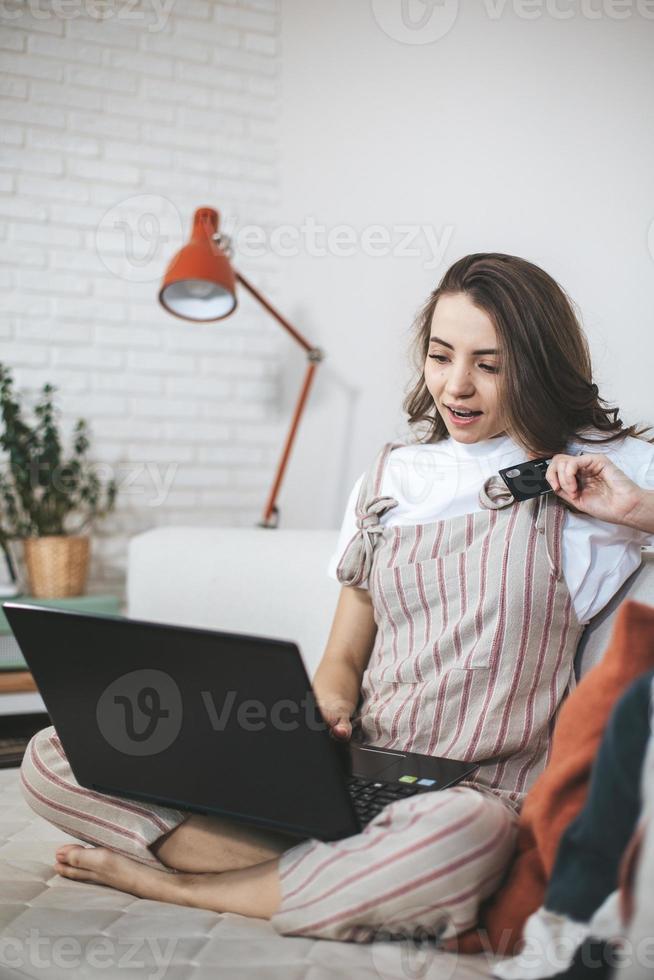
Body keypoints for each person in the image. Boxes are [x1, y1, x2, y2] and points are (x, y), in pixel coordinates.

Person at [20, 253, 654, 945]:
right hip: (349, 775)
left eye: (490, 366)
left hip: (467, 798)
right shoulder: (391, 476)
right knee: (57, 752)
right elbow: (343, 656)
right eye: (441, 357)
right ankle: (348, 875)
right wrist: (329, 707)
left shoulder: (600, 468)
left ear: (536, 365)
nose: (456, 387)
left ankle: (178, 882)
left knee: (460, 841)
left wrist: (638, 508)